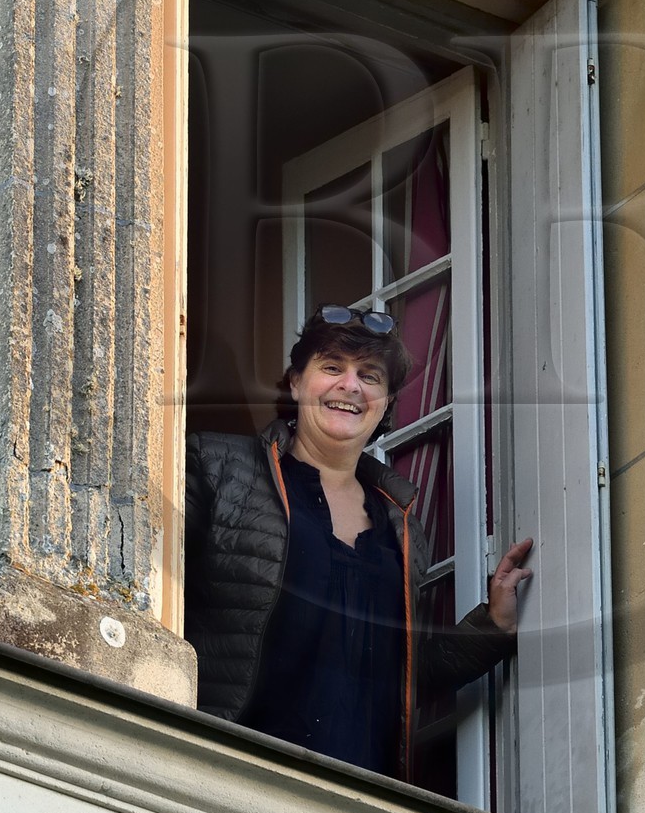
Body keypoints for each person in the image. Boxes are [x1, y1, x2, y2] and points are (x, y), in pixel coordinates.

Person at [184, 306, 533, 782]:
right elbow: (157, 588)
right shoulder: (216, 465)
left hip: (364, 796)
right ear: (295, 383)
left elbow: (398, 670)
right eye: (332, 368)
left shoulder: (401, 523)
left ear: (386, 405)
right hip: (233, 773)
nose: (350, 386)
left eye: (369, 376)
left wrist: (490, 627)